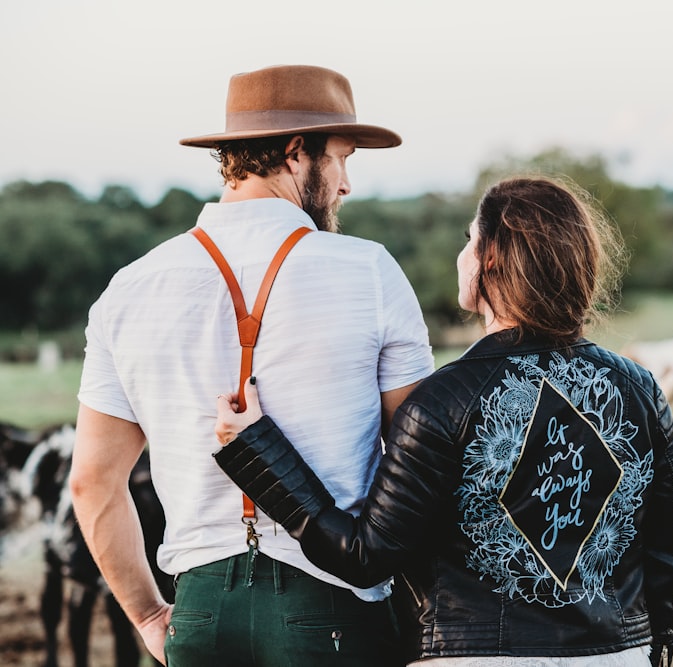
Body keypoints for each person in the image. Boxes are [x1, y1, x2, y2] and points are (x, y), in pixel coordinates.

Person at [214, 176, 673, 666]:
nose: (462, 254)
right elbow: (669, 556)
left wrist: (257, 448)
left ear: (490, 258)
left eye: (469, 239)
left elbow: (364, 557)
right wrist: (652, 647)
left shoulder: (440, 402)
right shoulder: (640, 389)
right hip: (619, 656)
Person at [70, 64, 434, 666]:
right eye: (343, 158)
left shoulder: (129, 289)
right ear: (296, 154)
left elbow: (92, 483)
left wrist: (148, 615)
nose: (346, 185)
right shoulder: (368, 271)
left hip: (202, 615)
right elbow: (419, 462)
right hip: (337, 610)